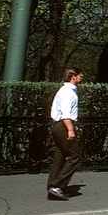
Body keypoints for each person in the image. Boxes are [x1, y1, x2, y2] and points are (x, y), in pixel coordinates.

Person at [47, 67, 83, 200]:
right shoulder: (67, 92)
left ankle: (53, 186)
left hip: (59, 126)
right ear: (73, 76)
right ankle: (57, 186)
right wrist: (70, 130)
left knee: (60, 156)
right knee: (75, 156)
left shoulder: (67, 90)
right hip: (64, 126)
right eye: (80, 75)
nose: (82, 77)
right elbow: (66, 114)